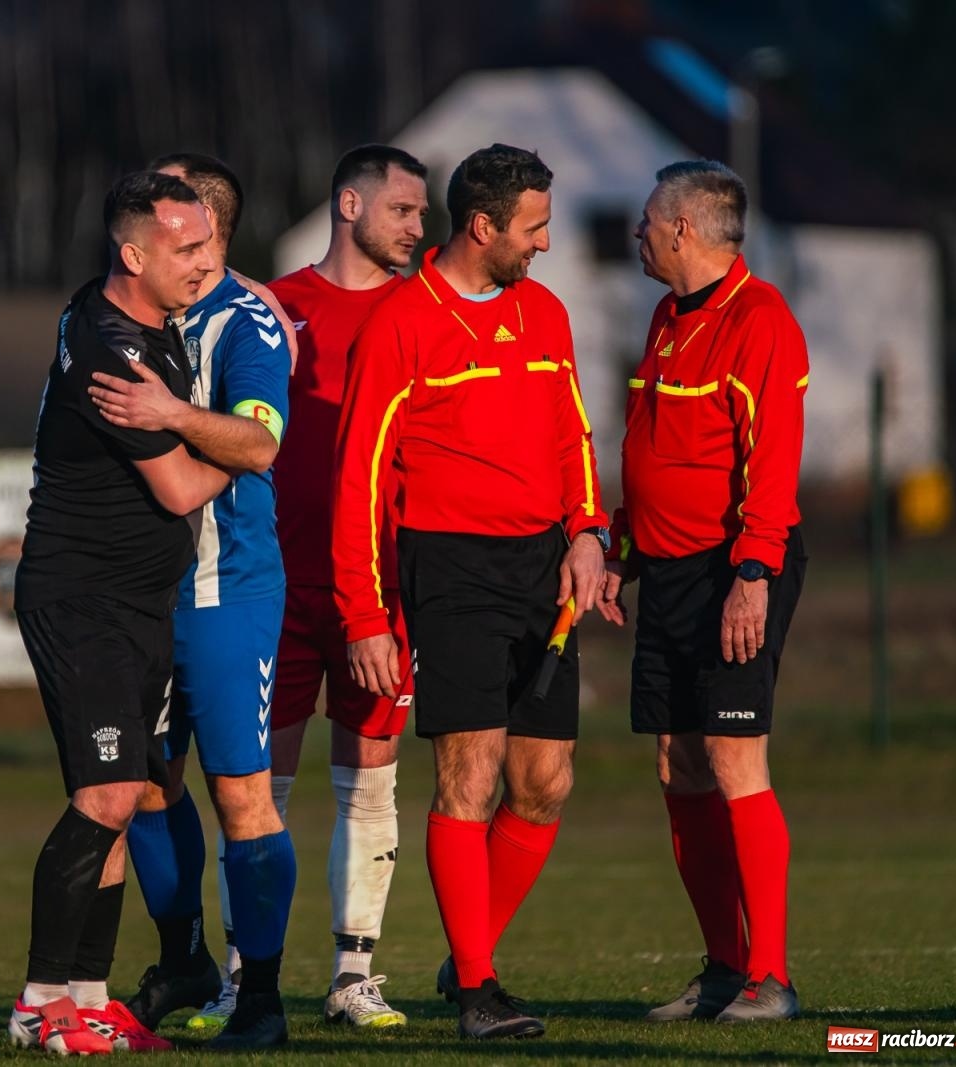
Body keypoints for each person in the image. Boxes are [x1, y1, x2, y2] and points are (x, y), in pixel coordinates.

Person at [333, 143, 608, 1040]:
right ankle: (479, 991)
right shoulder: (400, 324)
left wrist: (588, 532)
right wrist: (366, 616)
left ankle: (471, 945)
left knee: (545, 782)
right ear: (483, 227)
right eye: (534, 227)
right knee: (471, 773)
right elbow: (358, 482)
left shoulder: (546, 314)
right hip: (449, 568)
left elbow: (574, 437)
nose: (545, 243)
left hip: (542, 566)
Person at [7, 169, 233, 1055]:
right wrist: (248, 447)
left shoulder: (124, 315)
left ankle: (90, 998)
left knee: (126, 795)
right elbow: (180, 487)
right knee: (104, 794)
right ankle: (38, 1000)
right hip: (83, 602)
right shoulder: (114, 354)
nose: (207, 262)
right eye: (189, 248)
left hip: (138, 604)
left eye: (209, 244)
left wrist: (184, 414)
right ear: (134, 256)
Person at [87, 153, 296, 1050]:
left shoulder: (249, 324)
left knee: (241, 792)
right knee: (140, 786)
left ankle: (263, 999)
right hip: (140, 596)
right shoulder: (125, 315)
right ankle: (184, 959)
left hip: (225, 591)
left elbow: (259, 442)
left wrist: (172, 414)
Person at [598, 160, 809, 1023]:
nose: (638, 232)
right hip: (668, 568)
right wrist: (623, 547)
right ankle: (724, 966)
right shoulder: (665, 316)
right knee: (678, 762)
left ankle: (771, 977)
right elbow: (653, 450)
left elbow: (774, 461)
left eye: (648, 220)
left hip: (734, 567)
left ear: (683, 228)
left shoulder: (762, 320)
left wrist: (751, 576)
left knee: (732, 756)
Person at [258, 145, 430, 1030]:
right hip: (275, 585)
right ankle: (245, 978)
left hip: (381, 590)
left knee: (370, 784)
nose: (418, 228)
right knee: (257, 790)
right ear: (350, 205)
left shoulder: (422, 310)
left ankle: (352, 977)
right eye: (403, 209)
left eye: (423, 212)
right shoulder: (275, 308)